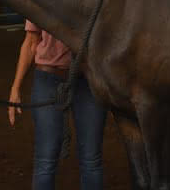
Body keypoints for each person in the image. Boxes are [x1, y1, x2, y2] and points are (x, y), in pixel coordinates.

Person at [8, 21, 107, 190]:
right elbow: (31, 41)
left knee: (91, 158)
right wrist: (15, 88)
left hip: (87, 78)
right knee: (46, 158)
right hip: (49, 78)